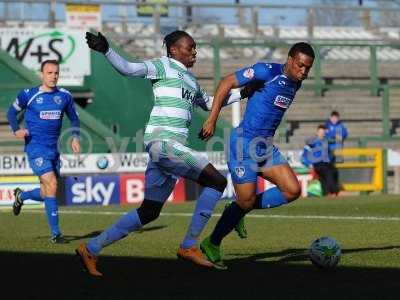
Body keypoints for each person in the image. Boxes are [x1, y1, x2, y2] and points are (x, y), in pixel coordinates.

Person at [76, 30, 254, 276]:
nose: (194, 51)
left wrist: (244, 92)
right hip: (164, 143)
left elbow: (213, 102)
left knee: (149, 212)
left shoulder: (191, 81)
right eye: (189, 47)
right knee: (217, 180)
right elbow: (128, 68)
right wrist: (107, 49)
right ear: (173, 49)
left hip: (166, 150)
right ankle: (189, 246)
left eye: (195, 47)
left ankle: (91, 248)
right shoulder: (162, 66)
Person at [198, 42, 315, 269]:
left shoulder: (296, 84)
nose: (304, 72)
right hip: (243, 144)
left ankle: (239, 210)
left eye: (308, 68)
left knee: (292, 190)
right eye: (300, 66)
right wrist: (212, 119)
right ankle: (212, 242)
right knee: (246, 199)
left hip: (265, 147)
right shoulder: (266, 71)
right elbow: (226, 82)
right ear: (290, 60)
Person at [7, 60, 81, 244]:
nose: (53, 76)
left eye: (56, 73)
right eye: (49, 73)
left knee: (47, 191)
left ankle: (21, 196)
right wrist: (16, 129)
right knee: (53, 184)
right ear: (42, 74)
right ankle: (56, 234)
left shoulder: (64, 96)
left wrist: (75, 137)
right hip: (35, 148)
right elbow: (10, 113)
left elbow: (74, 119)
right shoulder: (28, 95)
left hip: (53, 150)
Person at [301, 124, 340, 196]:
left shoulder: (326, 142)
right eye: (320, 132)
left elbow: (332, 153)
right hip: (317, 163)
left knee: (333, 171)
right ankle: (332, 191)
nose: (322, 134)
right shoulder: (312, 143)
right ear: (317, 132)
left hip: (326, 163)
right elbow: (304, 156)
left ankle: (327, 192)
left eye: (323, 132)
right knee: (328, 171)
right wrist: (309, 164)